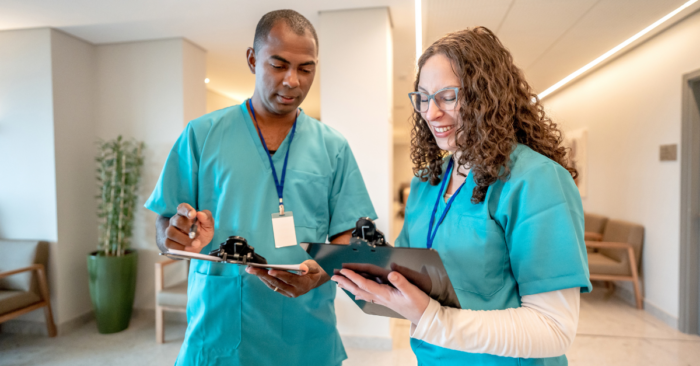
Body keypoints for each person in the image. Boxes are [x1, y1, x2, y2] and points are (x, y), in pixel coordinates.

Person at [333, 27, 592, 365]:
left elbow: (554, 328)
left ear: (488, 96)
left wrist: (435, 320)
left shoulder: (536, 180)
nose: (430, 112)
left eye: (448, 96)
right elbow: (408, 285)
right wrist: (354, 276)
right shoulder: (427, 182)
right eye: (423, 97)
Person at [145, 9, 376, 366]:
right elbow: (166, 223)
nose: (292, 81)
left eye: (305, 68)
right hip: (220, 324)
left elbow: (352, 233)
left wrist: (323, 271)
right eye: (278, 65)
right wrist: (172, 237)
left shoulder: (333, 147)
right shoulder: (201, 136)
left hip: (305, 330)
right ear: (253, 60)